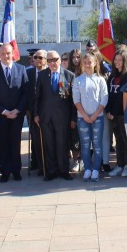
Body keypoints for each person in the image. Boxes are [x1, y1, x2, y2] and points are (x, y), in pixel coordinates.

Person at [0, 44, 28, 183]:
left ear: (13, 53)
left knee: (15, 143)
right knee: (3, 143)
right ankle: (5, 172)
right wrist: (3, 111)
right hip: (2, 115)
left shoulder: (21, 69)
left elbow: (25, 93)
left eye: (8, 53)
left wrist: (17, 110)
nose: (6, 55)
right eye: (3, 53)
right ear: (0, 54)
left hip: (17, 114)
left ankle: (16, 171)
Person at [34, 50, 77, 181]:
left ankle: (64, 170)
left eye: (55, 59)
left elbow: (73, 101)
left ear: (60, 59)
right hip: (46, 117)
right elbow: (37, 97)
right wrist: (36, 114)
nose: (52, 63)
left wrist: (73, 118)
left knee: (62, 144)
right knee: (49, 144)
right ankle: (51, 171)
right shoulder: (42, 75)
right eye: (49, 60)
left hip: (63, 118)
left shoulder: (69, 75)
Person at [73, 52, 108, 182]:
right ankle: (87, 168)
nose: (87, 64)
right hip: (82, 118)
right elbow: (76, 100)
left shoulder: (100, 80)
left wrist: (94, 115)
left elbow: (104, 99)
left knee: (97, 144)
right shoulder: (78, 80)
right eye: (85, 62)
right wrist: (85, 115)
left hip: (97, 117)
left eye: (90, 62)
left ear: (95, 63)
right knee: (85, 144)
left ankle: (96, 170)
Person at [106, 50, 127, 177]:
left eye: (120, 60)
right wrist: (108, 111)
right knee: (118, 141)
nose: (117, 62)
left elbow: (123, 97)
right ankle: (119, 164)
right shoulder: (112, 76)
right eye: (115, 60)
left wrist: (115, 112)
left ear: (125, 60)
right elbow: (109, 96)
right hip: (113, 115)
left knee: (126, 140)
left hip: (123, 114)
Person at [25, 49, 48, 175]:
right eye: (36, 57)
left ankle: (49, 165)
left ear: (45, 59)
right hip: (33, 113)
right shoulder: (28, 73)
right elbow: (25, 93)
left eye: (40, 57)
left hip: (47, 112)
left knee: (48, 140)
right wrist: (28, 110)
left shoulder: (50, 72)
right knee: (37, 141)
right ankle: (40, 166)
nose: (37, 60)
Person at [68, 48, 84, 171]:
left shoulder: (85, 72)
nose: (76, 59)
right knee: (74, 137)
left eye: (78, 57)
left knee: (84, 137)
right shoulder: (67, 73)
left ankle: (83, 160)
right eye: (74, 57)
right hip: (71, 109)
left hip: (85, 109)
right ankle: (75, 160)